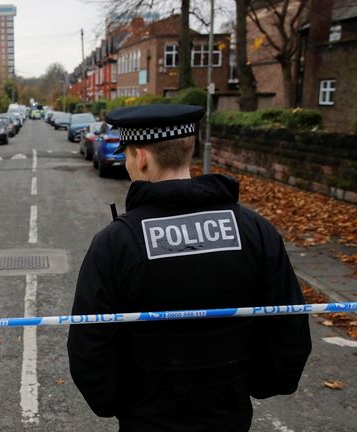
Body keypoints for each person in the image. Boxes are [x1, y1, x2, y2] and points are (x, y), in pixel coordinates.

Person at [67, 104, 311, 431]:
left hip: (146, 417)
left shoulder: (115, 243)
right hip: (230, 413)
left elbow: (89, 344)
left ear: (141, 157)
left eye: (126, 154)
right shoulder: (254, 230)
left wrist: (116, 402)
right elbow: (288, 324)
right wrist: (258, 384)